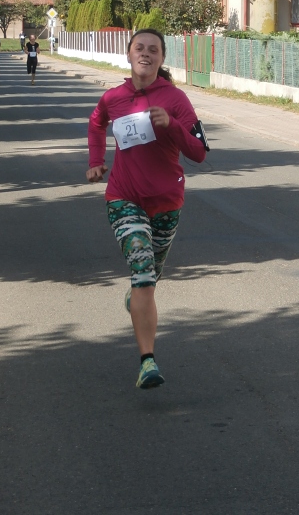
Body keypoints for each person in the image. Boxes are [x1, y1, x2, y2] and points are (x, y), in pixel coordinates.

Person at [86, 28, 207, 389]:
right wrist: (96, 161)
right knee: (142, 271)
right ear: (128, 54)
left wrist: (172, 125)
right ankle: (147, 361)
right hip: (123, 196)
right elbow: (96, 123)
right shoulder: (114, 97)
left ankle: (137, 295)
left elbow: (199, 152)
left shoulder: (176, 99)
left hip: (167, 202)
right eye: (139, 47)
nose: (146, 53)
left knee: (151, 277)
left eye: (153, 49)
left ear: (161, 58)